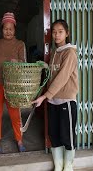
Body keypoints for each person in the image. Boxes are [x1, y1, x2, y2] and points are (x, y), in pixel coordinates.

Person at [32, 19, 78, 171]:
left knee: (67, 136)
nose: (57, 35)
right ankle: (58, 166)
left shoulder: (70, 52)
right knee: (54, 135)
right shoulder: (54, 53)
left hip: (66, 101)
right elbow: (51, 76)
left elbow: (62, 77)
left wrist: (45, 96)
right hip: (53, 101)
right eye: (54, 32)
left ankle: (68, 166)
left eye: (60, 32)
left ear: (67, 33)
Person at [0, 12, 27, 154]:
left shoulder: (20, 44)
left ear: (15, 29)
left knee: (15, 114)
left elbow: (24, 63)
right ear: (2, 29)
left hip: (13, 85)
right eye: (5, 28)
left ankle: (19, 140)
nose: (8, 31)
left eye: (11, 28)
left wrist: (17, 62)